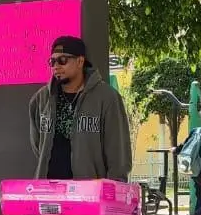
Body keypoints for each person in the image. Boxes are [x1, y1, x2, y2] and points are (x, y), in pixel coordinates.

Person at [28, 37, 132, 181]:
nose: (56, 66)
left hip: (90, 194)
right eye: (52, 61)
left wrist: (112, 191)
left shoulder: (107, 98)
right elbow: (38, 145)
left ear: (80, 61)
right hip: (50, 192)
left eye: (62, 60)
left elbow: (118, 152)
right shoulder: (41, 99)